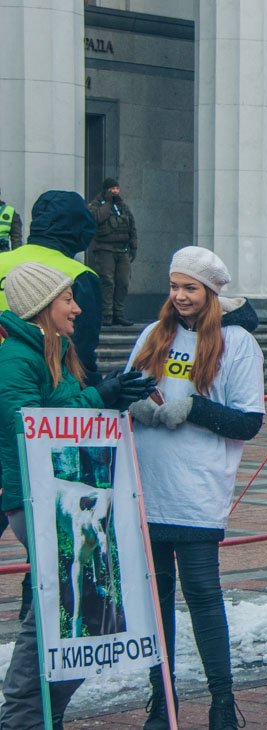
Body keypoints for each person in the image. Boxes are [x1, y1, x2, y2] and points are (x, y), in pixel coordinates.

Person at [0, 262, 155, 729]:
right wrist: (97, 398)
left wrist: (105, 393)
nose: (77, 307)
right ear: (43, 307)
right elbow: (24, 423)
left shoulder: (54, 350)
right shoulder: (16, 359)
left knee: (88, 609)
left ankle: (43, 713)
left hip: (65, 499)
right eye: (67, 299)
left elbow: (63, 410)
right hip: (37, 501)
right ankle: (24, 716)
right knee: (66, 607)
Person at [126, 247, 265, 729]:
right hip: (148, 485)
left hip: (198, 491)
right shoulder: (152, 333)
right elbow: (130, 388)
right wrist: (135, 405)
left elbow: (249, 422)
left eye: (190, 288)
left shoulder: (237, 342)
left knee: (203, 593)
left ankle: (222, 703)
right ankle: (162, 701)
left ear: (211, 292)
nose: (180, 296)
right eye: (174, 286)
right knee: (156, 598)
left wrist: (194, 409)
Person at [0, 190, 105, 383]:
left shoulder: (2, 261)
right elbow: (82, 348)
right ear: (82, 229)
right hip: (47, 386)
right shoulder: (80, 275)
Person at [88, 177, 137, 326]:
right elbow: (97, 218)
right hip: (105, 250)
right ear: (106, 190)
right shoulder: (96, 205)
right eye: (112, 189)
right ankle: (107, 315)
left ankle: (119, 314)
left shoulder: (122, 206)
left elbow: (131, 226)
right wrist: (108, 203)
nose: (115, 191)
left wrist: (134, 246)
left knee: (123, 282)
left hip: (122, 250)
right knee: (107, 282)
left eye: (117, 188)